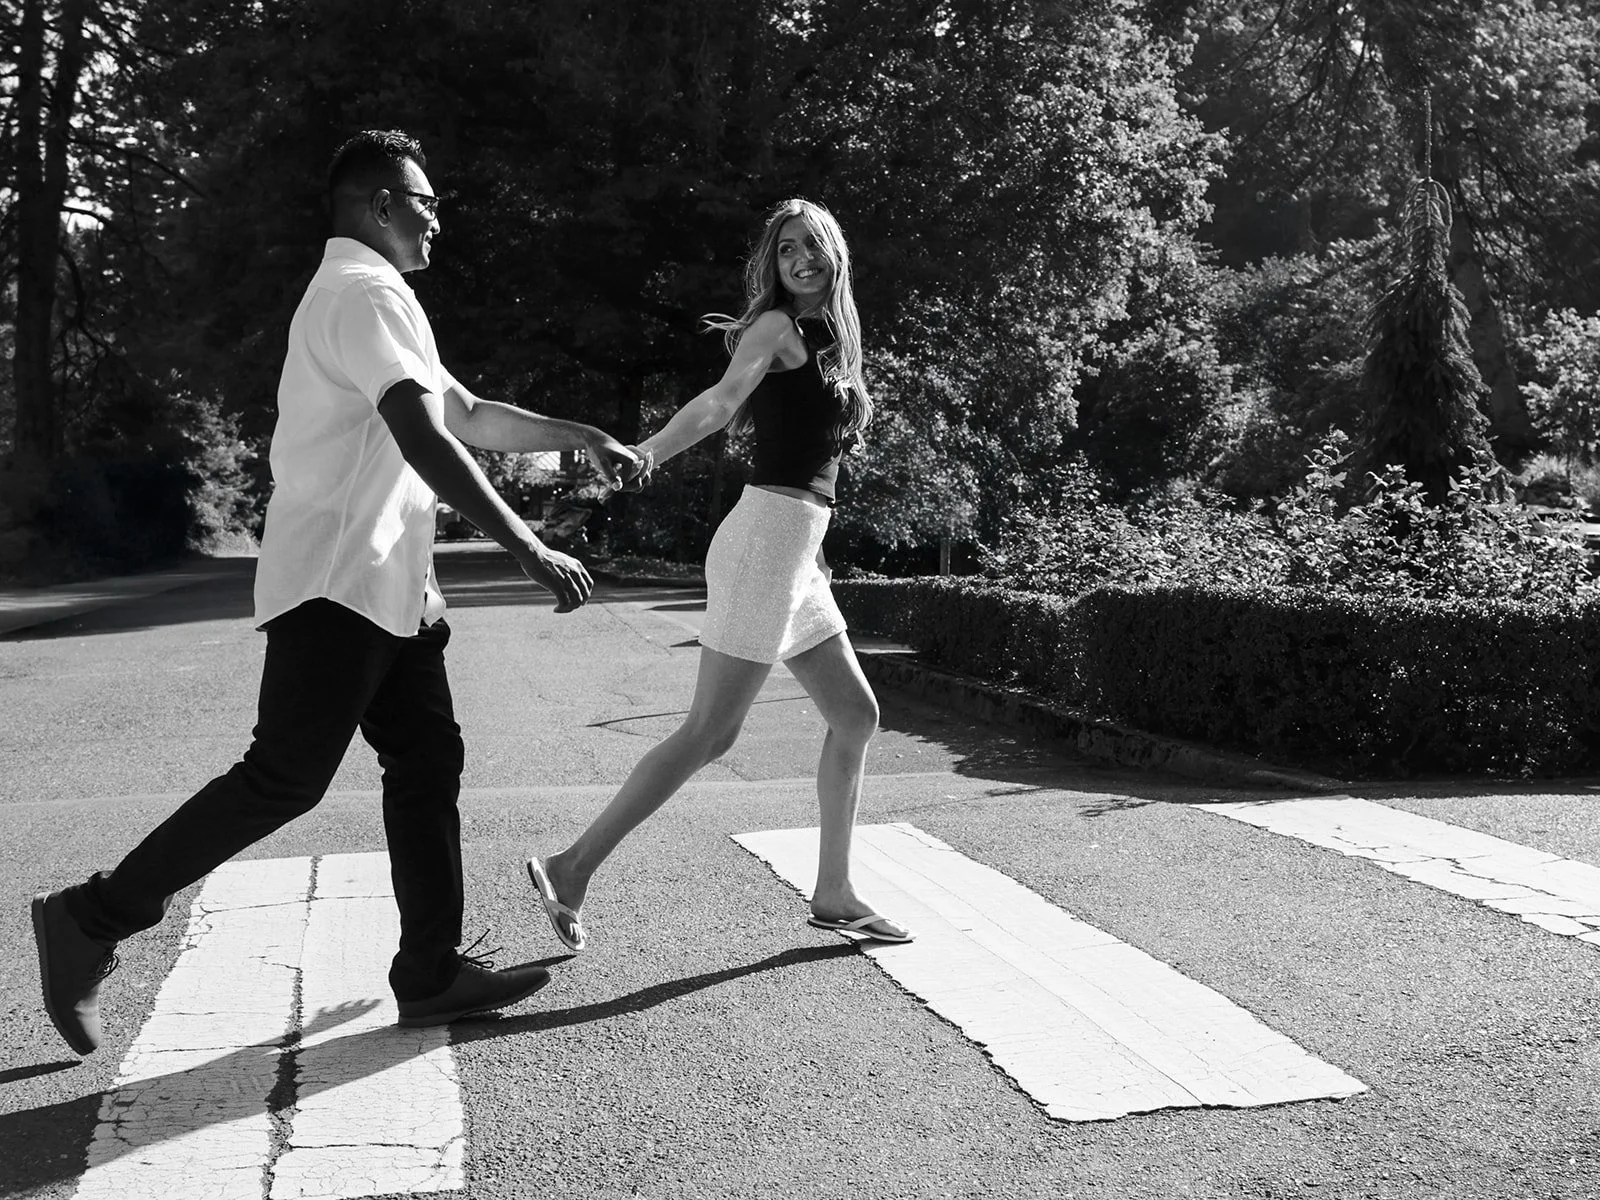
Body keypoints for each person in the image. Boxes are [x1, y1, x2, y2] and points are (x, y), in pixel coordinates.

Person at [31, 129, 642, 1056]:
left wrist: (583, 434)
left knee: (427, 760)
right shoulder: (363, 293)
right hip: (337, 585)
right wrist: (525, 545)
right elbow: (424, 436)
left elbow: (468, 415)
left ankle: (429, 970)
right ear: (381, 205)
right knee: (284, 777)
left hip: (388, 589)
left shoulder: (378, 297)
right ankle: (92, 916)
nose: (438, 221)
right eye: (426, 203)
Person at [526, 198, 912, 951]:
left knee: (855, 716)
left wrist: (817, 556)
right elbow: (722, 401)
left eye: (812, 245)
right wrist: (648, 453)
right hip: (765, 543)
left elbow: (814, 468)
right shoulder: (776, 329)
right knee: (710, 732)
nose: (801, 259)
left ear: (835, 254)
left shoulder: (832, 342)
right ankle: (571, 868)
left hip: (796, 553)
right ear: (773, 264)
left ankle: (834, 892)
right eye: (786, 249)